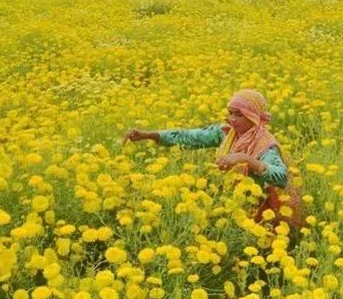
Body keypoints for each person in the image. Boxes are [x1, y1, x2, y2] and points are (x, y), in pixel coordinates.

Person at [123, 89, 301, 228]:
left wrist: (245, 159)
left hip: (262, 210)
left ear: (253, 117)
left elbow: (282, 177)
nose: (232, 119)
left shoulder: (265, 145)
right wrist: (149, 134)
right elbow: (189, 137)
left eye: (238, 114)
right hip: (231, 203)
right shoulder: (226, 133)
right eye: (230, 113)